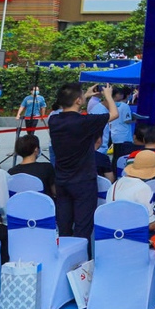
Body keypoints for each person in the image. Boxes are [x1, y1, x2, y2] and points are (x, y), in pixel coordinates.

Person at [47, 82, 117, 241]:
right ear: (78, 100)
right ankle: (81, 256)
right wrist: (108, 96)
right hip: (83, 181)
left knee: (64, 226)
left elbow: (69, 106)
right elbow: (114, 114)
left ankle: (65, 252)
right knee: (82, 228)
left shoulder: (54, 120)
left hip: (62, 181)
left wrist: (84, 95)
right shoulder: (84, 122)